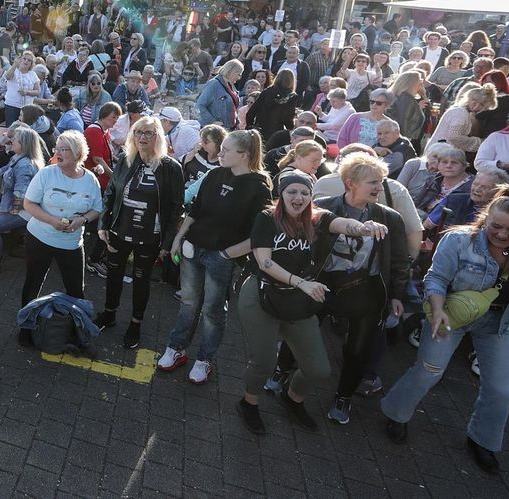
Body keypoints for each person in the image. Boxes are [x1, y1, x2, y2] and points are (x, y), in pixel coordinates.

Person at [381, 187, 509, 474]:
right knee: (428, 371)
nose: (502, 234)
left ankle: (483, 441)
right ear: (485, 219)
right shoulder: (459, 240)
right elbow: (436, 278)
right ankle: (396, 413)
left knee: (502, 391)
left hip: (500, 325)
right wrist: (436, 311)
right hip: (451, 316)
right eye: (496, 226)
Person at [237, 171, 389, 434]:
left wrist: (364, 228)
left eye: (304, 193)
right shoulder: (267, 218)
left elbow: (343, 224)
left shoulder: (318, 219)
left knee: (317, 369)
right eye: (292, 192)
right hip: (263, 293)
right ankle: (249, 402)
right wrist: (302, 282)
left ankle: (293, 398)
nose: (298, 197)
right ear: (281, 194)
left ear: (311, 196)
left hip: (298, 301)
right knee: (263, 361)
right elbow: (265, 262)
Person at [160, 130, 272, 383]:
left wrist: (227, 254)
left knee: (213, 310)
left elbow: (261, 233)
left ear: (244, 155)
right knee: (188, 302)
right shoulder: (214, 174)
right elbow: (196, 209)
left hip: (221, 258)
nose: (219, 154)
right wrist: (179, 238)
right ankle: (177, 348)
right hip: (193, 249)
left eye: (226, 150)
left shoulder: (258, 187)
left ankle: (204, 359)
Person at [310, 153, 409, 426]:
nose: (379, 187)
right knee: (303, 331)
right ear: (350, 183)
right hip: (324, 284)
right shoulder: (322, 207)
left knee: (357, 350)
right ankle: (282, 370)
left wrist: (398, 295)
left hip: (365, 291)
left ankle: (344, 396)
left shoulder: (390, 218)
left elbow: (400, 260)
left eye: (381, 181)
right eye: (373, 182)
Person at [95, 116, 184, 348]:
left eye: (148, 133)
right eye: (138, 133)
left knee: (141, 280)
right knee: (114, 274)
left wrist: (167, 243)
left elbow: (176, 208)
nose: (143, 137)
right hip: (119, 230)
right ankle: (109, 313)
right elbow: (111, 193)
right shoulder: (126, 159)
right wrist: (103, 224)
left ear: (158, 137)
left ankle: (135, 323)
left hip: (149, 236)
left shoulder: (171, 168)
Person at [19, 129, 104, 344]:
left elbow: (96, 209)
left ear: (77, 154)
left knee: (76, 288)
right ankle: (26, 328)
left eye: (64, 149)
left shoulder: (90, 180)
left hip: (71, 243)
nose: (58, 153)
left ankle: (78, 330)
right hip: (39, 237)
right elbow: (28, 203)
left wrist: (82, 220)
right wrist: (51, 221)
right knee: (33, 283)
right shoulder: (47, 173)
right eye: (58, 148)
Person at [0, 126, 46, 278]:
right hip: (8, 201)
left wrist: (6, 215)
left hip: (22, 210)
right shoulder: (18, 157)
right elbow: (2, 171)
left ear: (23, 144)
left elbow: (20, 196)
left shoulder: (24, 165)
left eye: (15, 140)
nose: (11, 142)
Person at [431, 83, 497, 154]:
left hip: (440, 150)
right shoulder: (461, 113)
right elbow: (455, 138)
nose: (484, 110)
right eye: (484, 107)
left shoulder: (460, 110)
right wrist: (481, 142)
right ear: (475, 103)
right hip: (440, 153)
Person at [246, 68, 300, 143]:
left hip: (260, 129)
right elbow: (287, 118)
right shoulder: (291, 96)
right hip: (277, 132)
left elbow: (251, 112)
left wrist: (250, 127)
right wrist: (292, 129)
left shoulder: (266, 91)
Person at [196, 59, 244, 129]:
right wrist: (213, 122)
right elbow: (199, 105)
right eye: (239, 74)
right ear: (232, 71)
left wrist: (237, 123)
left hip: (228, 129)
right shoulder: (213, 84)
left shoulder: (231, 86)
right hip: (214, 131)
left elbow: (232, 108)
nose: (239, 78)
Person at [4, 51, 41, 125]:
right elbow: (7, 77)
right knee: (11, 128)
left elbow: (38, 91)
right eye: (24, 58)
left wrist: (27, 92)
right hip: (12, 106)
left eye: (29, 60)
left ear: (31, 63)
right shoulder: (14, 70)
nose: (26, 61)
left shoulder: (33, 74)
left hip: (27, 108)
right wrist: (14, 65)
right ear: (20, 60)